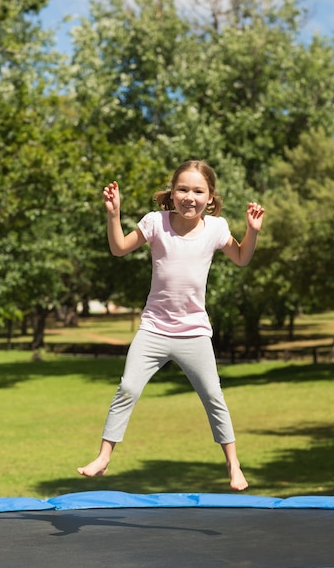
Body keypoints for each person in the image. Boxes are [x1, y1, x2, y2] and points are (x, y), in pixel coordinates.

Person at [77, 160, 265, 491]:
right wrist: (113, 214)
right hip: (154, 329)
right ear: (171, 192)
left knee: (212, 395)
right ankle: (104, 457)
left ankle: (234, 465)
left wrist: (252, 232)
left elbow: (242, 258)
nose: (189, 197)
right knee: (128, 388)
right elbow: (119, 248)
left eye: (198, 191)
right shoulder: (155, 223)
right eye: (182, 189)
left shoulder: (217, 229)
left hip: (194, 332)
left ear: (210, 197)